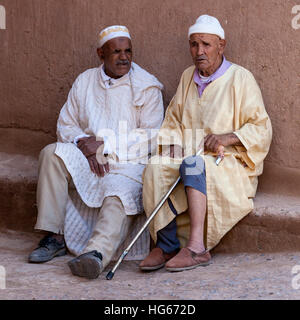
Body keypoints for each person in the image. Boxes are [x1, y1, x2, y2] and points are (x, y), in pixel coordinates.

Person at [28, 25, 164, 279]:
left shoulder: (147, 87)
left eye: (128, 51)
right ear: (100, 54)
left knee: (119, 195)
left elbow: (151, 136)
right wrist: (84, 143)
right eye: (116, 52)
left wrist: (104, 145)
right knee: (51, 154)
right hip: (88, 158)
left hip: (128, 162)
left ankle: (95, 254)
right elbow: (66, 124)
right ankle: (54, 236)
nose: (124, 57)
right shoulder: (85, 80)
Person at [140, 15, 272, 272]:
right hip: (190, 154)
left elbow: (261, 128)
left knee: (192, 165)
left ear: (221, 46)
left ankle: (197, 248)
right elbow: (173, 120)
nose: (199, 51)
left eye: (206, 45)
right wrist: (172, 146)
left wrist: (227, 137)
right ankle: (165, 244)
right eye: (194, 44)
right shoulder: (188, 76)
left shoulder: (240, 78)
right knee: (156, 165)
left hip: (228, 160)